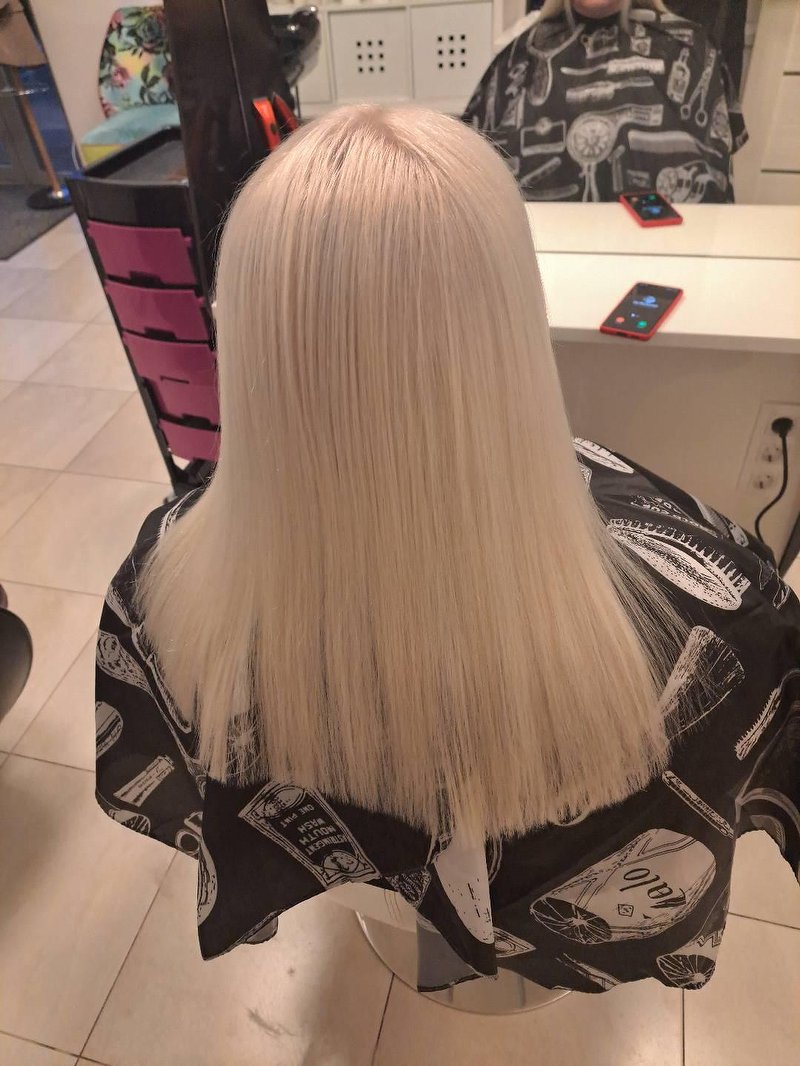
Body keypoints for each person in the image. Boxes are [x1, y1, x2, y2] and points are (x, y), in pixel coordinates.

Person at [96, 105, 800, 994]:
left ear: (247, 342)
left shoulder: (157, 582)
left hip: (358, 893)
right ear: (512, 320)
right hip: (540, 926)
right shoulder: (724, 617)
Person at [463, 0, 748, 202]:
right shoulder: (515, 62)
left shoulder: (695, 51)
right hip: (548, 259)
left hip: (668, 256)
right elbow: (475, 189)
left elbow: (717, 192)